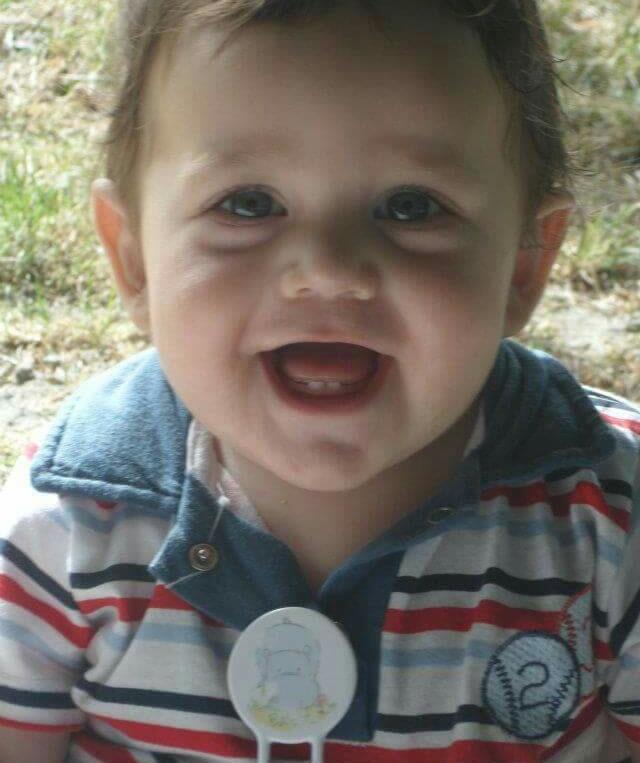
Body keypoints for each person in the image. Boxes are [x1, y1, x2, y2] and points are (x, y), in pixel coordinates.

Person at [0, 0, 638, 760]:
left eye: (410, 207)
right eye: (248, 204)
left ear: (524, 265)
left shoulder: (609, 521)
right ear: (134, 261)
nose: (328, 268)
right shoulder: (63, 536)